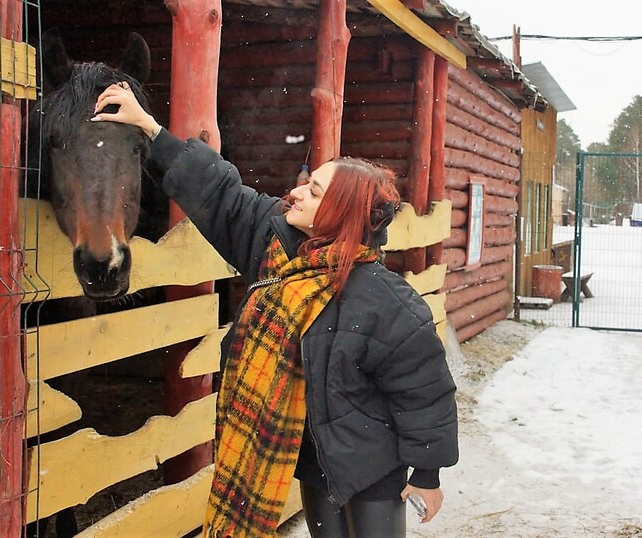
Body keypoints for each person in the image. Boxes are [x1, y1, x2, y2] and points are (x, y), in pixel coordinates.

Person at [92, 82, 459, 538]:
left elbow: (425, 390)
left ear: (339, 213)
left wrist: (428, 473)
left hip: (371, 464)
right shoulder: (276, 244)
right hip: (306, 457)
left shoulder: (388, 301)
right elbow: (220, 191)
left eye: (316, 190)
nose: (298, 191)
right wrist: (148, 127)